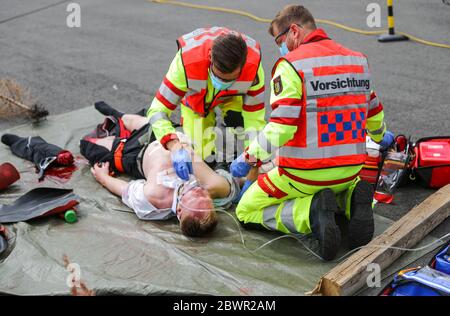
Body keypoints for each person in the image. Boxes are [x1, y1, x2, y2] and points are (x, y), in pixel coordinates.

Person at [231, 5, 394, 260]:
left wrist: (248, 158)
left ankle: (309, 213)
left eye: (279, 40)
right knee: (341, 187)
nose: (280, 47)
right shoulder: (357, 60)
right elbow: (372, 110)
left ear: (294, 31)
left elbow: (281, 127)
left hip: (302, 175)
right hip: (351, 170)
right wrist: (379, 135)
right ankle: (350, 201)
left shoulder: (292, 65)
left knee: (245, 210)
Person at [80, 102, 241, 237]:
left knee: (88, 146)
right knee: (140, 120)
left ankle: (118, 126)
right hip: (168, 133)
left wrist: (103, 178)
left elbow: (125, 190)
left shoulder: (155, 198)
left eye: (194, 195)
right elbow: (231, 179)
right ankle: (119, 115)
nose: (197, 190)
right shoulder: (214, 186)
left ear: (179, 210)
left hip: (138, 153)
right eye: (205, 196)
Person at [146, 27, 267, 181]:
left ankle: (228, 159)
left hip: (232, 98)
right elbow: (157, 109)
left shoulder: (253, 69)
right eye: (219, 77)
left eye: (230, 80)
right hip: (196, 100)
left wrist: (253, 162)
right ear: (210, 57)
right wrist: (174, 146)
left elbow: (255, 121)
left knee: (239, 133)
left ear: (242, 67)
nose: (222, 83)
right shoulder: (186, 62)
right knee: (200, 157)